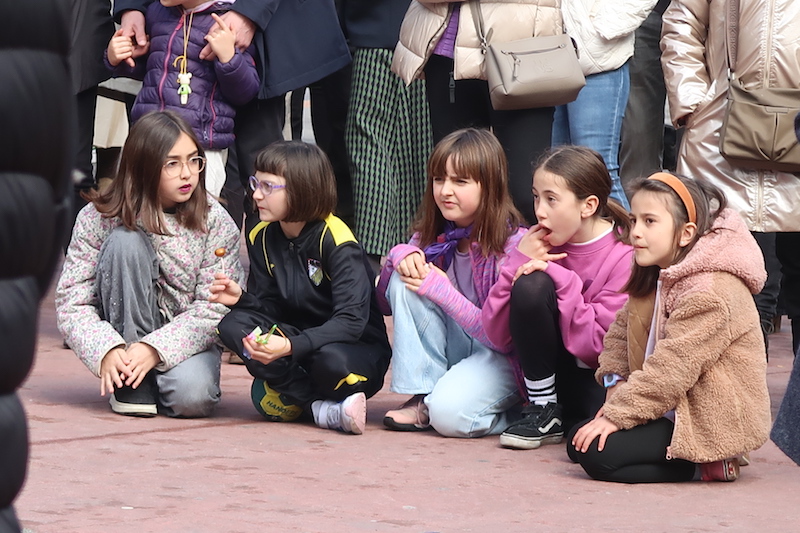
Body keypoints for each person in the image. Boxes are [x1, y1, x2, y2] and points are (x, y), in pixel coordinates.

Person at [568, 172, 771, 483]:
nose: (636, 232)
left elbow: (672, 369)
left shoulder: (709, 291)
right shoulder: (657, 270)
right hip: (666, 404)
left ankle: (705, 463)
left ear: (685, 233)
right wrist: (615, 382)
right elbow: (619, 336)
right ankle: (675, 455)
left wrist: (619, 414)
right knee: (576, 441)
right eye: (634, 220)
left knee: (597, 455)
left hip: (705, 419)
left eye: (649, 221)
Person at [56, 110, 244, 418]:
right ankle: (132, 381)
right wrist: (106, 349)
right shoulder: (98, 217)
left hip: (185, 335)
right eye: (172, 163)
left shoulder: (216, 221)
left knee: (193, 398)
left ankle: (150, 372)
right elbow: (72, 301)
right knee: (124, 241)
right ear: (143, 166)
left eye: (193, 160)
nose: (187, 174)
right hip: (122, 331)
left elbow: (214, 308)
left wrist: (154, 349)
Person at [213, 141, 391, 435]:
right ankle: (319, 408)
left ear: (302, 189)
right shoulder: (261, 236)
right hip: (296, 340)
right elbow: (271, 306)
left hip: (351, 348)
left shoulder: (337, 240)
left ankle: (297, 392)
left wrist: (290, 347)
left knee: (330, 363)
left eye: (268, 187)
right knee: (233, 326)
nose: (256, 195)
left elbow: (351, 323)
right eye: (256, 183)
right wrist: (241, 299)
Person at [661, 0, 800, 356]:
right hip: (721, 127)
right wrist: (694, 102)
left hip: (794, 127)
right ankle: (740, 390)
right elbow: (683, 20)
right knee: (727, 278)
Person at [481, 146, 633, 450]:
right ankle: (543, 409)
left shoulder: (624, 257)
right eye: (536, 197)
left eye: (551, 199)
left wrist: (563, 279)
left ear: (588, 206)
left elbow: (597, 348)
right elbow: (496, 335)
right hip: (541, 383)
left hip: (594, 379)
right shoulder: (537, 244)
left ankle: (558, 417)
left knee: (587, 445)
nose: (540, 211)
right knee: (531, 283)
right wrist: (517, 262)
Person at [377, 128, 527, 438]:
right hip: (459, 349)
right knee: (406, 280)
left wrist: (445, 293)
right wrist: (398, 256)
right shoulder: (432, 236)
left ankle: (515, 417)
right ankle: (423, 396)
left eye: (460, 181)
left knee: (448, 417)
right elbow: (383, 304)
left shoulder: (514, 245)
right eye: (439, 179)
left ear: (490, 185)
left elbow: (504, 341)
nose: (446, 190)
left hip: (502, 360)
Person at [391, 1, 562, 224]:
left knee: (526, 194)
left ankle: (529, 247)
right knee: (456, 187)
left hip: (523, 51)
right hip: (448, 51)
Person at [106, 0, 260, 197]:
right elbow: (152, 68)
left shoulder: (227, 23)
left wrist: (229, 58)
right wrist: (118, 58)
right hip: (148, 139)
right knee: (136, 204)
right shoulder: (157, 12)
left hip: (199, 147)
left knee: (194, 210)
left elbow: (244, 92)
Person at [343, 0, 433, 262]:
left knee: (371, 145)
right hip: (424, 30)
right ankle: (419, 244)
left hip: (381, 28)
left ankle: (376, 253)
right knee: (420, 146)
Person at [552, 0, 658, 210]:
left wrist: (605, 25)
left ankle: (626, 232)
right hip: (553, 48)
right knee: (557, 167)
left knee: (597, 168)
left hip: (599, 51)